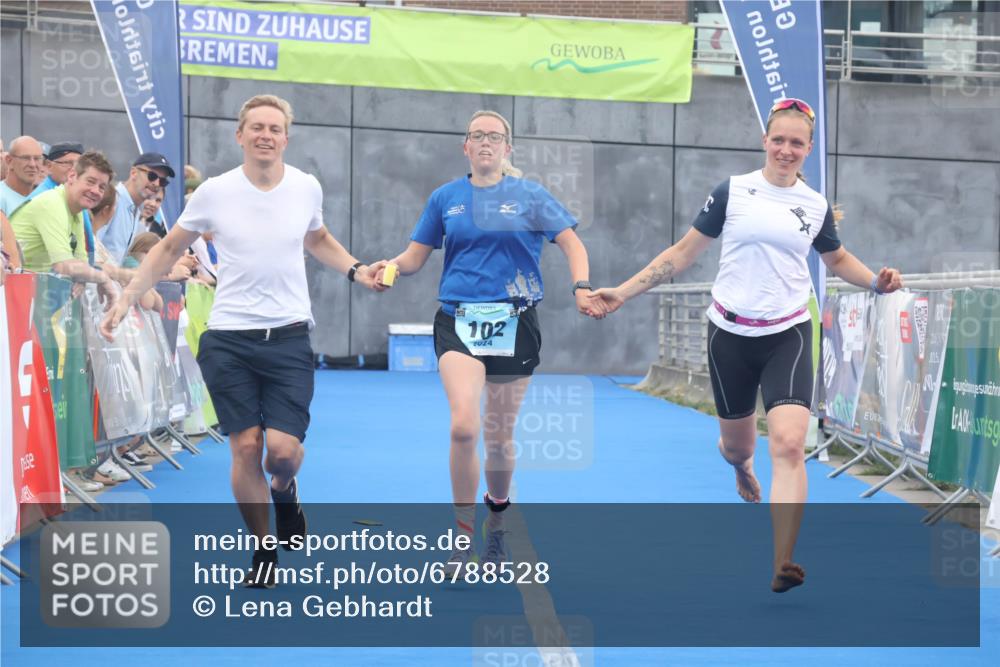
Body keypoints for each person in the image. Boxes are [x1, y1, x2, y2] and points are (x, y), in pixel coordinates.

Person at [588, 98, 904, 593]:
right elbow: (683, 253)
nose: (786, 149)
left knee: (790, 444)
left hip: (790, 332)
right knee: (738, 445)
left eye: (796, 143)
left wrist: (877, 283)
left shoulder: (814, 205)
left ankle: (782, 559)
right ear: (765, 142)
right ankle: (740, 466)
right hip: (730, 335)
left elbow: (837, 259)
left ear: (809, 149)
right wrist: (622, 293)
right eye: (778, 140)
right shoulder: (732, 192)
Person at [100, 94, 387, 587]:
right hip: (229, 337)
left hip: (290, 336)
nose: (265, 135)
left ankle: (285, 490)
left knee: (281, 451)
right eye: (256, 127)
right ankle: (264, 549)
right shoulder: (213, 192)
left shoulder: (305, 187)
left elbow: (317, 238)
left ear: (285, 138)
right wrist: (128, 296)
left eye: (275, 128)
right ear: (240, 135)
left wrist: (359, 270)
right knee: (245, 446)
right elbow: (169, 246)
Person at [377, 110, 604, 578]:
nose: (485, 143)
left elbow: (573, 244)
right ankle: (462, 536)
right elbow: (415, 256)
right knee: (464, 426)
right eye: (477, 136)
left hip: (514, 321)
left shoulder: (531, 196)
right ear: (465, 146)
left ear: (507, 148)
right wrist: (388, 269)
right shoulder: (446, 198)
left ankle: (497, 513)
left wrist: (582, 286)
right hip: (457, 320)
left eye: (494, 137)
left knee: (499, 438)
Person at [99, 152, 174, 264]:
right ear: (134, 173)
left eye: (163, 181)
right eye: (152, 176)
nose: (157, 183)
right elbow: (92, 248)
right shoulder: (112, 199)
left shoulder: (135, 210)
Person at [1, 136, 45, 217]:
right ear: (9, 160)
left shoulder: (45, 197)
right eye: (25, 158)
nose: (32, 164)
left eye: (37, 158)